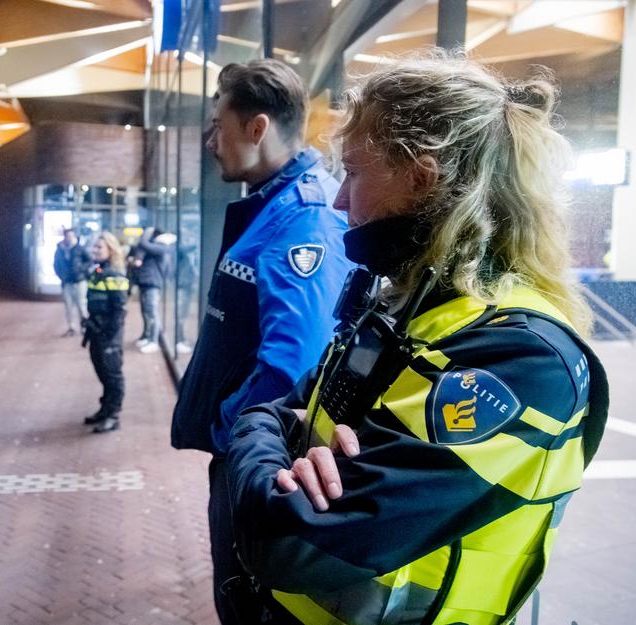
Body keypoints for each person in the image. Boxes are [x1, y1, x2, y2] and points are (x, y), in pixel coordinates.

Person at [226, 52, 610, 625]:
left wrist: (263, 455)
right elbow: (271, 412)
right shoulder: (407, 303)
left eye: (352, 173)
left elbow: (290, 541)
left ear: (420, 178)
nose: (337, 200)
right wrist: (273, 445)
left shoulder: (520, 358)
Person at [169, 59, 353, 624]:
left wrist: (232, 433)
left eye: (217, 124)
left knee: (242, 599)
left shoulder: (302, 218)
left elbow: (291, 361)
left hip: (250, 456)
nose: (210, 141)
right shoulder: (271, 207)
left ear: (257, 127)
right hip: (246, 449)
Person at [82, 233, 129, 433]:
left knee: (113, 375)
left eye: (99, 248)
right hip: (96, 332)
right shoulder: (98, 271)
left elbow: (120, 310)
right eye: (94, 247)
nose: (95, 250)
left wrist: (109, 335)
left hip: (108, 336)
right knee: (102, 373)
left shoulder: (115, 275)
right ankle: (105, 409)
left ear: (111, 250)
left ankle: (112, 416)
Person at [129, 227, 173, 354]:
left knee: (152, 313)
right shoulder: (155, 248)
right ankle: (148, 337)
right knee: (146, 312)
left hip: (153, 284)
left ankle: (154, 341)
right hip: (146, 283)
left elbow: (143, 244)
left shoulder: (162, 248)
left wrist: (146, 233)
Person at [53, 228, 91, 337]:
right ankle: (71, 328)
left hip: (79, 281)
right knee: (68, 306)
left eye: (71, 236)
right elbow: (56, 264)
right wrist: (61, 275)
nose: (69, 238)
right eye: (67, 236)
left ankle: (84, 327)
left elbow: (89, 260)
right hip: (67, 282)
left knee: (81, 305)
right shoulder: (60, 249)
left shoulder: (80, 249)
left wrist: (81, 270)